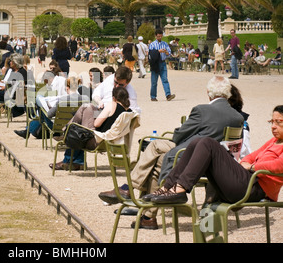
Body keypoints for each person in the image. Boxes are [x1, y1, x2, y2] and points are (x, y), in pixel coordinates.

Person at [98, 76, 244, 229]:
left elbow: (178, 136)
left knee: (155, 149)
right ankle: (146, 216)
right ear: (228, 92)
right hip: (215, 165)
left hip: (190, 157)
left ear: (209, 92)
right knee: (157, 156)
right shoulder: (237, 117)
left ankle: (130, 190)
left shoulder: (202, 110)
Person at [146, 105, 283, 206]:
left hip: (255, 189)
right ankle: (167, 187)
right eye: (272, 122)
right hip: (247, 180)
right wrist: (246, 164)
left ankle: (181, 189)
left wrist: (253, 166)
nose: (273, 126)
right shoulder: (274, 141)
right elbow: (251, 156)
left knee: (208, 143)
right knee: (196, 142)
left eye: (279, 122)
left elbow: (279, 165)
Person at [52, 86, 132, 171]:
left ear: (113, 98)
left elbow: (97, 124)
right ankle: (77, 161)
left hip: (94, 140)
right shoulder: (128, 112)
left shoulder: (113, 105)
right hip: (107, 141)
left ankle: (65, 131)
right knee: (87, 108)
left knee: (86, 108)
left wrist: (99, 114)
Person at [14, 76, 90, 140]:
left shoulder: (62, 101)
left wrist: (46, 108)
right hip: (77, 127)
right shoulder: (85, 98)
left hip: (58, 128)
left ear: (67, 88)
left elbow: (49, 115)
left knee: (41, 105)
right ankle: (27, 131)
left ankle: (28, 130)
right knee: (42, 108)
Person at [0, 53, 27, 122]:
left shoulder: (22, 72)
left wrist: (6, 85)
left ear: (16, 62)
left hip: (13, 95)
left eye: (12, 61)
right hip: (6, 91)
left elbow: (21, 85)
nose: (10, 62)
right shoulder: (12, 71)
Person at [148, 29, 175, 102]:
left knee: (165, 79)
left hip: (163, 63)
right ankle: (153, 96)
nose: (159, 38)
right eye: (158, 36)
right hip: (155, 64)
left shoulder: (165, 44)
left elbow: (169, 53)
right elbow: (151, 54)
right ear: (155, 36)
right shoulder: (152, 44)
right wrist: (158, 51)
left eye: (160, 36)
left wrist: (165, 51)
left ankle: (168, 95)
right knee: (154, 81)